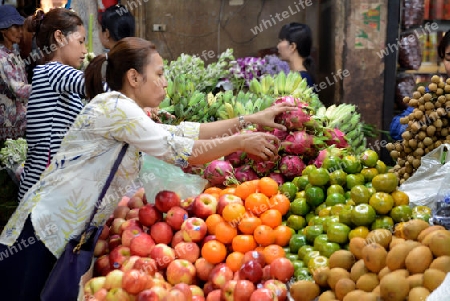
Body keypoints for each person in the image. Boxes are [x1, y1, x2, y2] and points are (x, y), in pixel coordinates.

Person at [0, 37, 294, 300]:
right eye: (160, 74)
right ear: (134, 77)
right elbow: (180, 151)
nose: (165, 81)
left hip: (64, 228)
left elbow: (184, 133)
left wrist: (250, 119)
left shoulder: (126, 110)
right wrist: (240, 142)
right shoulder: (117, 109)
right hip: (46, 230)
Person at [17, 8, 87, 201]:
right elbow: (95, 85)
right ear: (59, 37)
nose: (84, 50)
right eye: (80, 41)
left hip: (50, 189)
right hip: (43, 192)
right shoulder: (52, 72)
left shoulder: (59, 78)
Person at [0, 5, 32, 143]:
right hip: (8, 125)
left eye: (21, 27)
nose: (20, 31)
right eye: (16, 27)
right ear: (3, 30)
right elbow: (18, 89)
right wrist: (44, 85)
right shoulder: (2, 57)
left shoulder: (13, 53)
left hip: (19, 122)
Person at [277, 22, 316, 89]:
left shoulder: (302, 80)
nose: (277, 46)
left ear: (292, 47)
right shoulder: (298, 76)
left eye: (281, 41)